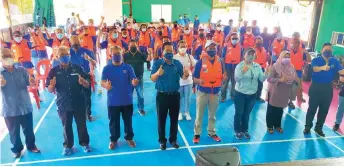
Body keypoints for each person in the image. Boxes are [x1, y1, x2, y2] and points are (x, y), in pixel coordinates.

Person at [46, 46, 91, 155]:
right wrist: (52, 86)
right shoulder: (53, 72)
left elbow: (87, 83)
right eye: (62, 55)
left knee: (82, 125)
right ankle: (68, 146)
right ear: (57, 57)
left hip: (79, 102)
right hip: (63, 103)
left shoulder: (78, 68)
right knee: (66, 126)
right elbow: (49, 88)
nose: (65, 57)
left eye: (66, 54)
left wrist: (83, 82)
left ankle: (85, 143)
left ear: (69, 55)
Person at [0, 48, 40, 158]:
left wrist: (32, 81)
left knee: (29, 130)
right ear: (1, 59)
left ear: (13, 57)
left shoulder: (21, 70)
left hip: (25, 106)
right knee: (14, 132)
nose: (8, 59)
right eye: (5, 57)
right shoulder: (0, 73)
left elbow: (30, 82)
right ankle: (17, 149)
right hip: (10, 108)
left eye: (9, 56)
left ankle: (31, 146)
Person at [150, 42, 189, 150]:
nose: (169, 53)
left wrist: (186, 74)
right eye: (167, 51)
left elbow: (184, 77)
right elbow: (152, 78)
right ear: (162, 52)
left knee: (174, 119)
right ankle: (162, 141)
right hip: (162, 96)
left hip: (175, 96)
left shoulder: (177, 63)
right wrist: (158, 73)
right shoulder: (158, 63)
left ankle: (173, 139)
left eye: (171, 51)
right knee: (161, 119)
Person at [101, 45, 139, 149]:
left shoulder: (128, 67)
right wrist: (106, 86)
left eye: (118, 53)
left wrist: (134, 82)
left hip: (127, 100)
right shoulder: (106, 68)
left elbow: (133, 79)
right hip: (113, 101)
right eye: (114, 54)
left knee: (128, 121)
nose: (117, 55)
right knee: (113, 122)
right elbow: (102, 82)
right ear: (110, 55)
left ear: (122, 54)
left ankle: (129, 138)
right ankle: (113, 140)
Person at [304, 43, 344, 137]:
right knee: (312, 109)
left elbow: (341, 71)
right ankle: (307, 126)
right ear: (322, 50)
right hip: (316, 87)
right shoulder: (316, 59)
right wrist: (323, 68)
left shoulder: (334, 61)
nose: (328, 51)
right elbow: (314, 69)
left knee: (324, 110)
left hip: (328, 88)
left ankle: (318, 128)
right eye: (326, 49)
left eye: (330, 49)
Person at [192, 41, 225, 144]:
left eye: (214, 48)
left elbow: (223, 74)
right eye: (210, 48)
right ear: (206, 49)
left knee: (212, 115)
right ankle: (197, 134)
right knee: (199, 115)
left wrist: (224, 78)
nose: (212, 50)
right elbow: (194, 78)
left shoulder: (220, 61)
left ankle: (211, 132)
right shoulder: (200, 62)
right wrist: (199, 81)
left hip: (215, 93)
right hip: (203, 93)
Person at [233, 48, 268, 140]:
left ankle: (245, 130)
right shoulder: (239, 66)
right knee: (239, 113)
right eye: (249, 54)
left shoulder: (257, 66)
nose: (251, 56)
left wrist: (267, 73)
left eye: (253, 54)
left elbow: (262, 79)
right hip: (240, 93)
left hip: (252, 94)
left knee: (247, 113)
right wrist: (243, 71)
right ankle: (237, 130)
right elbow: (236, 79)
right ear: (244, 55)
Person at [266, 51, 297, 134]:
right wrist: (280, 80)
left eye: (288, 57)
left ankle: (277, 125)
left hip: (285, 91)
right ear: (281, 57)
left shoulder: (291, 67)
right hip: (274, 91)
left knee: (280, 110)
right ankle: (270, 126)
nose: (287, 59)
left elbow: (293, 78)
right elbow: (269, 79)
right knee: (271, 109)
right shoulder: (275, 66)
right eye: (285, 57)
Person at [69, 36, 96, 121]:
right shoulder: (68, 53)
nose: (75, 46)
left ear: (79, 42)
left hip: (85, 76)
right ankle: (77, 113)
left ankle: (88, 114)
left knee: (87, 97)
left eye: (76, 43)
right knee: (74, 97)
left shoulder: (86, 51)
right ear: (70, 43)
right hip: (73, 76)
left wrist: (89, 59)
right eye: (73, 44)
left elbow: (94, 63)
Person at [123, 40, 152, 116]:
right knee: (129, 95)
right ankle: (129, 109)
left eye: (134, 46)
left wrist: (149, 53)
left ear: (137, 46)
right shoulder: (125, 55)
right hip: (129, 79)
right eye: (131, 46)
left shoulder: (141, 55)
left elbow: (148, 59)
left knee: (140, 94)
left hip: (139, 78)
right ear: (128, 47)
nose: (133, 47)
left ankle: (141, 109)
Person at [173, 40, 196, 121]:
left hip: (188, 81)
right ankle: (179, 113)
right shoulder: (174, 57)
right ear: (178, 47)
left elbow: (194, 67)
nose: (183, 48)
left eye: (184, 46)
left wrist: (191, 73)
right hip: (178, 81)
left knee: (187, 98)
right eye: (181, 47)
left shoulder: (190, 57)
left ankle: (186, 112)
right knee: (179, 98)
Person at [221, 33, 242, 101]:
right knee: (225, 82)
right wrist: (224, 70)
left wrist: (240, 67)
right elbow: (222, 58)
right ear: (230, 39)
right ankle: (223, 96)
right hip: (228, 66)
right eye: (233, 38)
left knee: (234, 82)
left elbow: (242, 57)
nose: (234, 40)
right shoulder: (226, 46)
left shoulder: (240, 47)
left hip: (236, 66)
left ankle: (233, 96)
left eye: (236, 38)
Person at [287, 39, 308, 109]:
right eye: (292, 43)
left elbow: (306, 61)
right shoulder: (288, 52)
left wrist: (304, 70)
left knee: (294, 88)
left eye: (296, 43)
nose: (294, 45)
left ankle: (290, 101)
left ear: (298, 45)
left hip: (298, 73)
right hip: (288, 72)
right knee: (287, 87)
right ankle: (284, 99)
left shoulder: (303, 53)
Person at [254, 36, 268, 101]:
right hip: (254, 69)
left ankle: (258, 96)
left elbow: (265, 59)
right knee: (253, 83)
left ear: (262, 42)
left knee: (260, 84)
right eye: (257, 42)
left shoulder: (264, 50)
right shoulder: (253, 50)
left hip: (262, 69)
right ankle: (252, 97)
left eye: (260, 42)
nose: (258, 43)